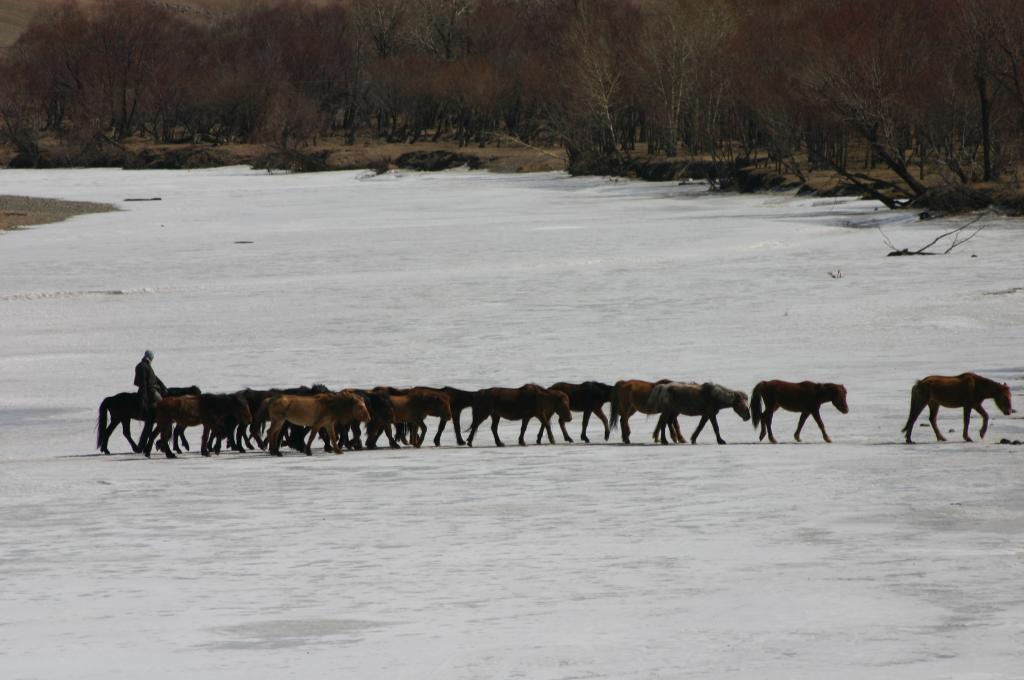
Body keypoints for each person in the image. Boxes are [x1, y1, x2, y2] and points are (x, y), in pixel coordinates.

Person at [134, 350, 167, 415]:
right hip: (150, 390)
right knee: (162, 403)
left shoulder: (146, 365)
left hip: (151, 389)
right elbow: (143, 382)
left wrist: (163, 387)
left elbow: (155, 377)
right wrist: (144, 396)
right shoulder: (143, 366)